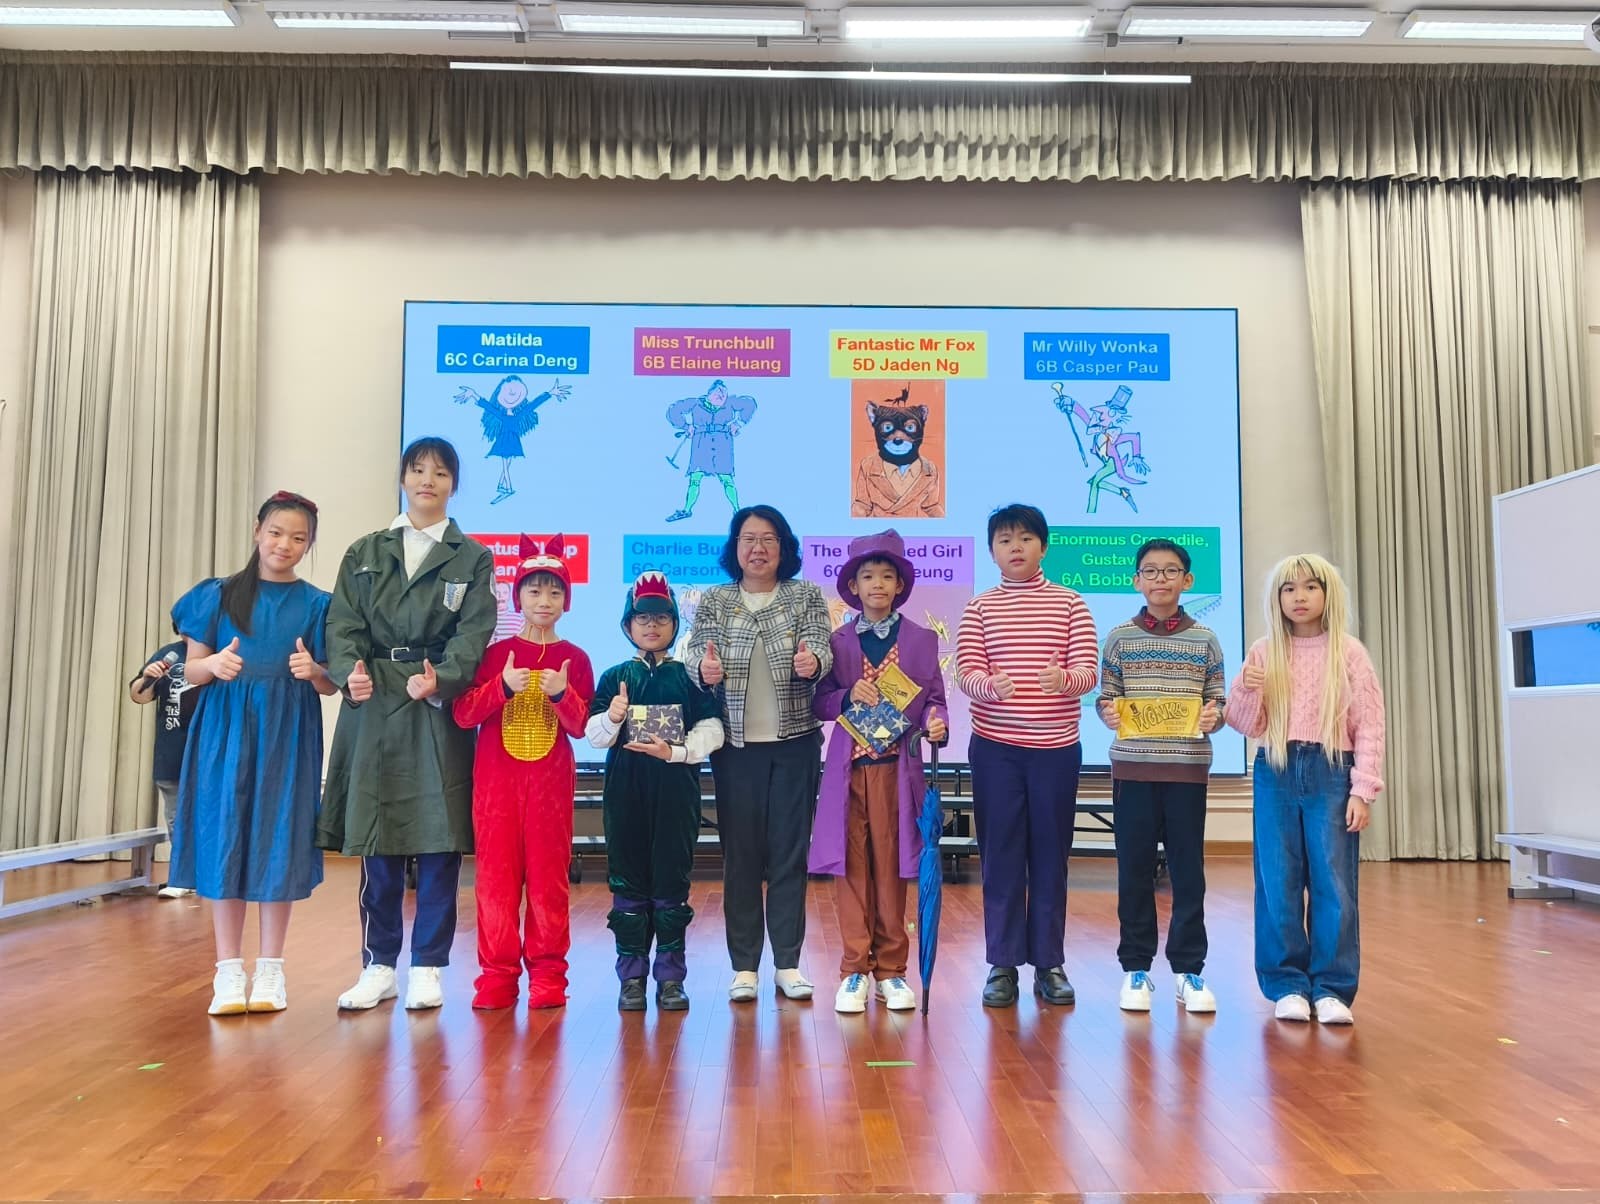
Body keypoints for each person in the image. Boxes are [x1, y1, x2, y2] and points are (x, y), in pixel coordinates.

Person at [319, 437, 497, 1012]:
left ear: (453, 484)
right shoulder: (365, 551)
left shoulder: (472, 558)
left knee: (441, 839)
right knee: (377, 839)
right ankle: (378, 965)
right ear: (402, 478)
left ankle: (428, 966)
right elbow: (342, 625)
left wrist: (442, 678)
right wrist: (349, 672)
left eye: (440, 473)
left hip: (435, 706)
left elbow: (475, 631)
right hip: (373, 702)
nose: (428, 481)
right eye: (418, 470)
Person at [168, 491, 335, 1014]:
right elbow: (190, 670)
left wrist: (316, 673)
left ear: (309, 546)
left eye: (298, 538)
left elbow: (330, 683)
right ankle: (226, 971)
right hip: (224, 729)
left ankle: (271, 971)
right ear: (258, 531)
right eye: (277, 532)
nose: (285, 544)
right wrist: (214, 665)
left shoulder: (318, 604)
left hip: (288, 732)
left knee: (277, 838)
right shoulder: (218, 595)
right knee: (225, 836)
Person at [1225, 553, 1385, 1026]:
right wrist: (1247, 688)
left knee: (1334, 880)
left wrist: (1362, 790)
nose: (1300, 597)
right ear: (1276, 598)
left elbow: (1370, 725)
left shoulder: (1349, 653)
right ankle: (1287, 985)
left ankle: (1332, 988)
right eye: (1289, 588)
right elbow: (1245, 723)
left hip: (1332, 769)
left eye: (1311, 587)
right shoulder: (1263, 651)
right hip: (1275, 768)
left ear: (1328, 594)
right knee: (1277, 880)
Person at [682, 504, 834, 1001]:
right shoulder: (716, 600)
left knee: (790, 855)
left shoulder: (805, 595)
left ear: (784, 547)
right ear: (735, 547)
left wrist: (813, 662)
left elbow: (821, 646)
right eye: (748, 539)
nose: (758, 548)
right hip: (736, 749)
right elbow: (696, 653)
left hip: (795, 744)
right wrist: (702, 671)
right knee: (741, 858)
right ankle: (744, 967)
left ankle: (788, 963)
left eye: (769, 539)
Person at [955, 503, 1098, 1009]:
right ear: (992, 551)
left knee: (1051, 856)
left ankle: (1049, 963)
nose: (1015, 548)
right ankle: (1002, 963)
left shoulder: (1071, 604)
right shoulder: (979, 608)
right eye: (1004, 540)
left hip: (1055, 751)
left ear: (1043, 546)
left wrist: (1066, 680)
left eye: (1025, 538)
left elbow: (1089, 671)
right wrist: (989, 687)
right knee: (1000, 856)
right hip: (996, 751)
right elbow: (966, 672)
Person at [452, 535, 595, 1010]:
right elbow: (463, 714)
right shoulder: (494, 655)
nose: (544, 601)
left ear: (566, 601)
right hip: (496, 790)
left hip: (550, 790)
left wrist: (561, 694)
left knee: (549, 881)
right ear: (517, 597)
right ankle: (496, 974)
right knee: (495, 882)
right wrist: (501, 687)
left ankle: (549, 974)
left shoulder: (576, 658)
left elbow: (581, 726)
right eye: (534, 591)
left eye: (554, 592)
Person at [808, 530, 948, 1013]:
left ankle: (892, 970)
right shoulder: (837, 642)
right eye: (868, 576)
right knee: (850, 869)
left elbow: (935, 702)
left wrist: (937, 723)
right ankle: (854, 969)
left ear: (900, 585)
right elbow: (819, 701)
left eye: (887, 576)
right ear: (853, 585)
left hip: (896, 771)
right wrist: (847, 696)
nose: (878, 585)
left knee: (892, 869)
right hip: (848, 772)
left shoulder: (922, 640)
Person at [1095, 538, 1227, 1015]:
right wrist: (1108, 712)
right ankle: (1136, 967)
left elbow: (1219, 700)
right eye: (1150, 571)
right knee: (1133, 871)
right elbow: (1105, 696)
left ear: (1187, 580)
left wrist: (1214, 716)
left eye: (1171, 571)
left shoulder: (1206, 639)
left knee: (1188, 873)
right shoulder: (1119, 637)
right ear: (1136, 581)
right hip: (1133, 770)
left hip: (1187, 771)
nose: (1160, 579)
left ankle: (1188, 969)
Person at [587, 572, 725, 1012]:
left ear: (674, 623)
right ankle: (631, 979)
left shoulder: (689, 678)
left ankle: (670, 979)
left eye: (661, 617)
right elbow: (594, 736)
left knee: (671, 886)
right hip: (625, 797)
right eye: (642, 617)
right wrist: (612, 716)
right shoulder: (614, 677)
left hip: (676, 796)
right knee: (627, 886)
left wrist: (677, 752)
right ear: (628, 624)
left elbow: (713, 729)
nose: (652, 625)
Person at [128, 621, 198, 898]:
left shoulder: (217, 653)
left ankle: (209, 875)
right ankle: (183, 876)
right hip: (172, 749)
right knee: (176, 817)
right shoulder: (169, 654)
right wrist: (148, 677)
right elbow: (138, 695)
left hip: (207, 750)